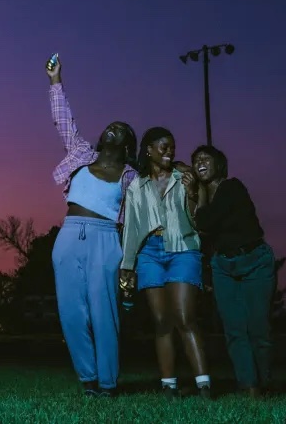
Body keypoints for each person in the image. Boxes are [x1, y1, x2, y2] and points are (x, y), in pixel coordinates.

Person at [46, 54, 138, 398]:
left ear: (128, 144)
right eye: (110, 126)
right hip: (69, 236)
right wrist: (56, 81)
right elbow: (63, 121)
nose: (113, 127)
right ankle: (87, 379)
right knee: (71, 313)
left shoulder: (132, 178)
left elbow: (137, 219)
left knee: (105, 315)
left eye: (122, 129)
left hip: (106, 241)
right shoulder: (81, 154)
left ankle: (108, 383)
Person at [120, 127, 211, 400]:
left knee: (184, 317)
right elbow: (131, 228)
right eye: (163, 146)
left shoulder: (184, 177)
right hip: (149, 254)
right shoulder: (136, 186)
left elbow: (199, 219)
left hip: (183, 248)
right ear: (148, 149)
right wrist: (127, 266)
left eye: (172, 146)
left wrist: (194, 191)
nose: (170, 151)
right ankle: (168, 386)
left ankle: (204, 386)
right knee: (161, 321)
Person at [189, 144, 276, 398]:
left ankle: (265, 383)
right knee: (235, 329)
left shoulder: (232, 187)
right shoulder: (205, 196)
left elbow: (203, 222)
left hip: (255, 260)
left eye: (206, 158)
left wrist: (201, 195)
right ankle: (249, 387)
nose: (200, 162)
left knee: (258, 328)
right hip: (224, 266)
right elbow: (201, 231)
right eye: (196, 161)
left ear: (219, 164)